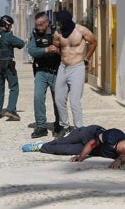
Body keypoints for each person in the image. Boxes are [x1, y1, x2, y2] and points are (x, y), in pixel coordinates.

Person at [53, 9, 97, 137]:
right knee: (59, 98)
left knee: (75, 100)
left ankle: (79, 129)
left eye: (61, 23)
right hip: (63, 67)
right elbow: (56, 45)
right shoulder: (58, 33)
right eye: (58, 23)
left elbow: (94, 42)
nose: (59, 25)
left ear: (66, 21)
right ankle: (64, 127)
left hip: (77, 67)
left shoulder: (81, 30)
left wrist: (87, 59)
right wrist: (59, 53)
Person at [22, 125, 125, 170]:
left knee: (63, 150)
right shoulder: (113, 135)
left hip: (91, 150)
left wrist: (119, 161)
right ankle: (49, 143)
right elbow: (91, 143)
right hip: (88, 134)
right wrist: (81, 157)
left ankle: (41, 147)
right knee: (63, 140)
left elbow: (123, 156)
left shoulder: (122, 154)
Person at [28, 12, 61, 138]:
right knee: (38, 98)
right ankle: (41, 126)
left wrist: (57, 50)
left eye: (40, 25)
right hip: (41, 71)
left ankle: (59, 125)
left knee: (58, 99)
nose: (38, 27)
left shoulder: (56, 32)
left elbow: (65, 49)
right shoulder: (34, 34)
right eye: (36, 25)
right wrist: (45, 50)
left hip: (56, 71)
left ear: (47, 23)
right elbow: (31, 50)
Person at [0, 15, 25, 121]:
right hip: (8, 66)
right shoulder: (8, 36)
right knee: (14, 87)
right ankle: (11, 110)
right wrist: (11, 39)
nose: (11, 27)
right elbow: (21, 44)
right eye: (10, 25)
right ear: (7, 25)